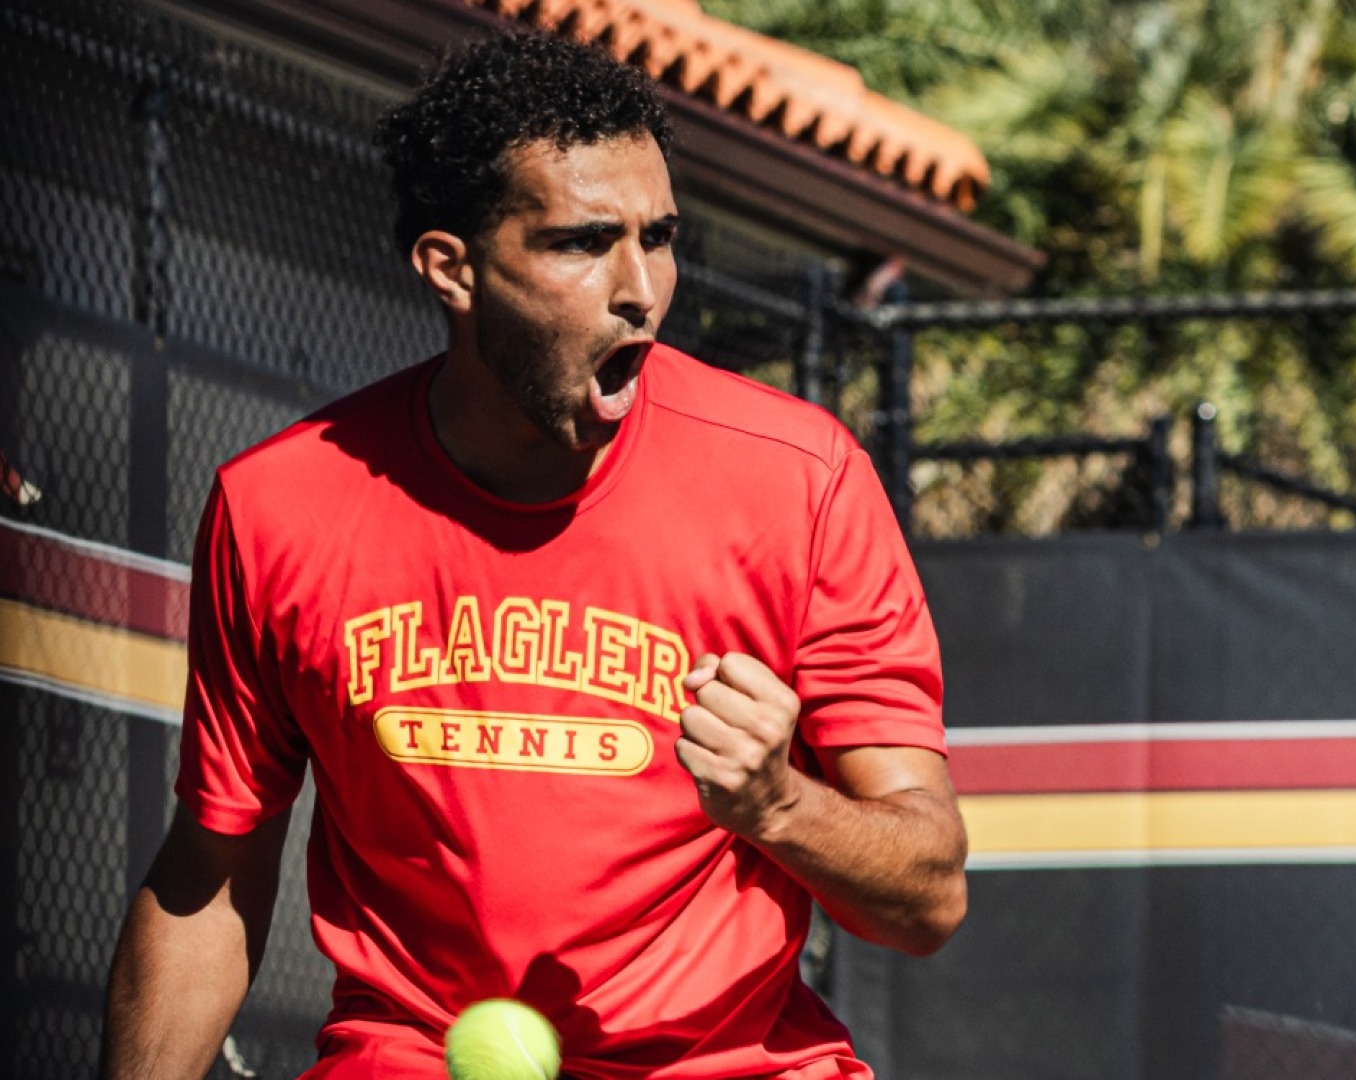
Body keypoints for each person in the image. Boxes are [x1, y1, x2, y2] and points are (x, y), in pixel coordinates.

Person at [102, 30, 967, 1080]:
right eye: (581, 243)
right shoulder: (278, 506)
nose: (640, 287)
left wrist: (779, 802)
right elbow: (212, 871)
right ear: (451, 268)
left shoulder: (801, 479)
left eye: (659, 237)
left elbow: (928, 899)